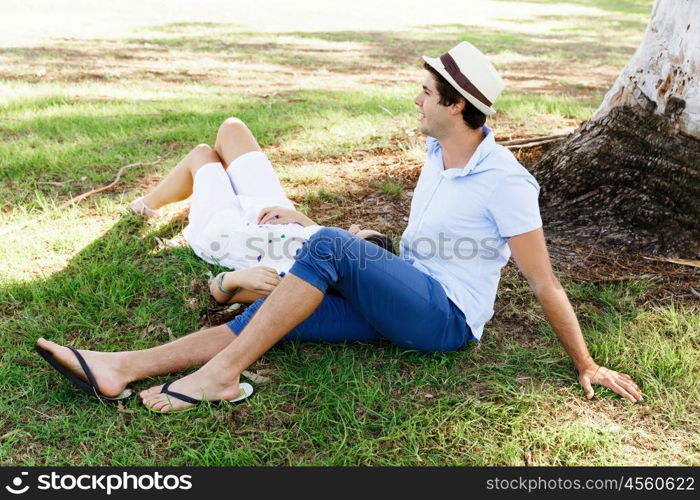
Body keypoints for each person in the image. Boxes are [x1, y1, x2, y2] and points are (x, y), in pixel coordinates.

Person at [36, 41, 643, 412]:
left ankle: (218, 377)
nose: (417, 101)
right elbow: (410, 251)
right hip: (406, 287)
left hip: (445, 318)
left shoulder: (507, 181)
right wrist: (313, 226)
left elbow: (544, 284)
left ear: (458, 105)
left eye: (427, 93)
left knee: (327, 249)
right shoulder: (438, 153)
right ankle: (122, 367)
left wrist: (586, 364)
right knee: (271, 319)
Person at [127, 122, 394, 305]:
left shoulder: (299, 281)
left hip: (228, 231)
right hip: (280, 215)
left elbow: (222, 294)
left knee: (202, 155)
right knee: (232, 128)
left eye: (356, 235)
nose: (354, 227)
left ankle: (148, 205)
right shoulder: (328, 245)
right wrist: (305, 222)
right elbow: (320, 242)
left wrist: (237, 278)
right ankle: (215, 188)